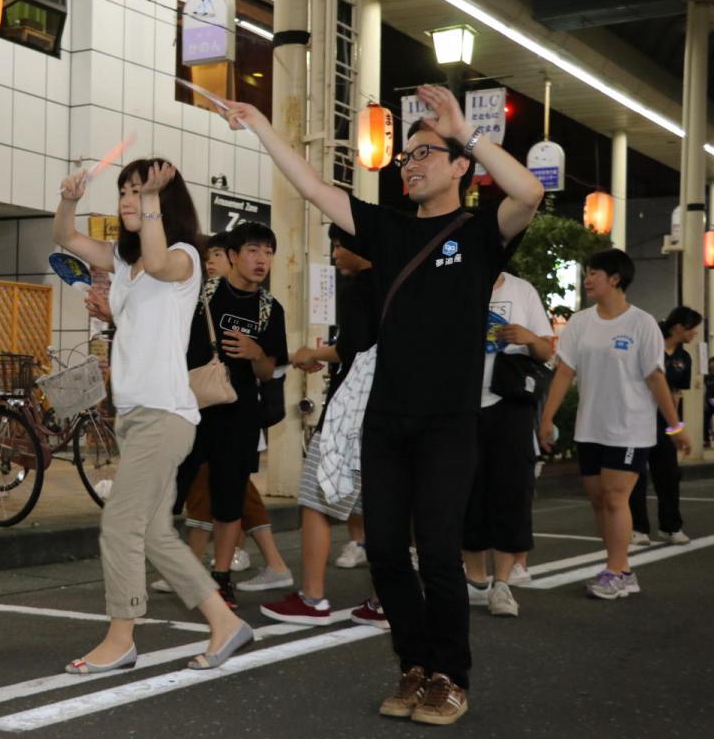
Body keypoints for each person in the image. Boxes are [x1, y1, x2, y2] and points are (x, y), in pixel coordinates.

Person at [222, 83, 544, 725]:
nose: (411, 163)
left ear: (461, 168)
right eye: (407, 157)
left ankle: (451, 675)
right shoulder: (388, 228)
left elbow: (530, 193)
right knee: (388, 551)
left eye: (427, 153)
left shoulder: (479, 232)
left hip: (451, 423)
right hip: (387, 421)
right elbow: (313, 187)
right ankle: (414, 666)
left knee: (441, 553)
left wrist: (466, 130)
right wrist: (260, 121)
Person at [53, 158, 252, 673]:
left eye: (139, 191)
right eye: (124, 190)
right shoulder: (124, 263)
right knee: (155, 533)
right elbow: (67, 237)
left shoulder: (183, 256)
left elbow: (160, 261)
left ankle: (121, 637)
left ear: (164, 200)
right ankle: (224, 622)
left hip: (166, 413)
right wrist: (71, 197)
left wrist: (153, 203)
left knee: (120, 523)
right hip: (135, 414)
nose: (127, 198)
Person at [539, 249, 691, 600]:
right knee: (598, 500)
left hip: (630, 427)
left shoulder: (642, 323)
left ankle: (616, 569)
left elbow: (655, 377)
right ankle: (620, 568)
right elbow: (565, 371)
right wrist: (547, 417)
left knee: (614, 496)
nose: (588, 279)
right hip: (590, 425)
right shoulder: (580, 322)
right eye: (587, 273)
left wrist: (674, 426)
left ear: (615, 278)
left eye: (594, 273)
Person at [261, 224, 386, 630]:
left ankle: (312, 598)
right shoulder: (398, 283)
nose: (334, 254)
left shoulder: (359, 288)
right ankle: (387, 602)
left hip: (350, 408)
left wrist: (309, 353)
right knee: (386, 506)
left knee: (315, 496)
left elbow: (353, 348)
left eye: (338, 245)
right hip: (390, 409)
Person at [173, 222, 290, 608]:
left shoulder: (271, 309)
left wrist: (256, 353)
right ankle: (171, 568)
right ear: (235, 255)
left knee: (229, 500)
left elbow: (268, 372)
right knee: (167, 493)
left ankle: (220, 578)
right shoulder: (201, 296)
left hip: (240, 416)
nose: (262, 260)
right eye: (253, 251)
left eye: (268, 252)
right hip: (189, 410)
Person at [462, 271, 554, 618]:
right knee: (467, 489)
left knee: (509, 490)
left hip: (510, 401)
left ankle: (502, 584)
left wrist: (528, 337)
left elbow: (546, 351)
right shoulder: (459, 282)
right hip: (463, 403)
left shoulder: (522, 290)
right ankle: (475, 580)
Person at [627, 305, 700, 546]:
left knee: (669, 475)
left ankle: (670, 527)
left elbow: (676, 394)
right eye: (693, 329)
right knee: (637, 476)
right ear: (679, 327)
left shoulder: (684, 358)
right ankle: (638, 528)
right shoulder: (649, 345)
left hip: (663, 423)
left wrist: (674, 427)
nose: (695, 334)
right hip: (637, 420)